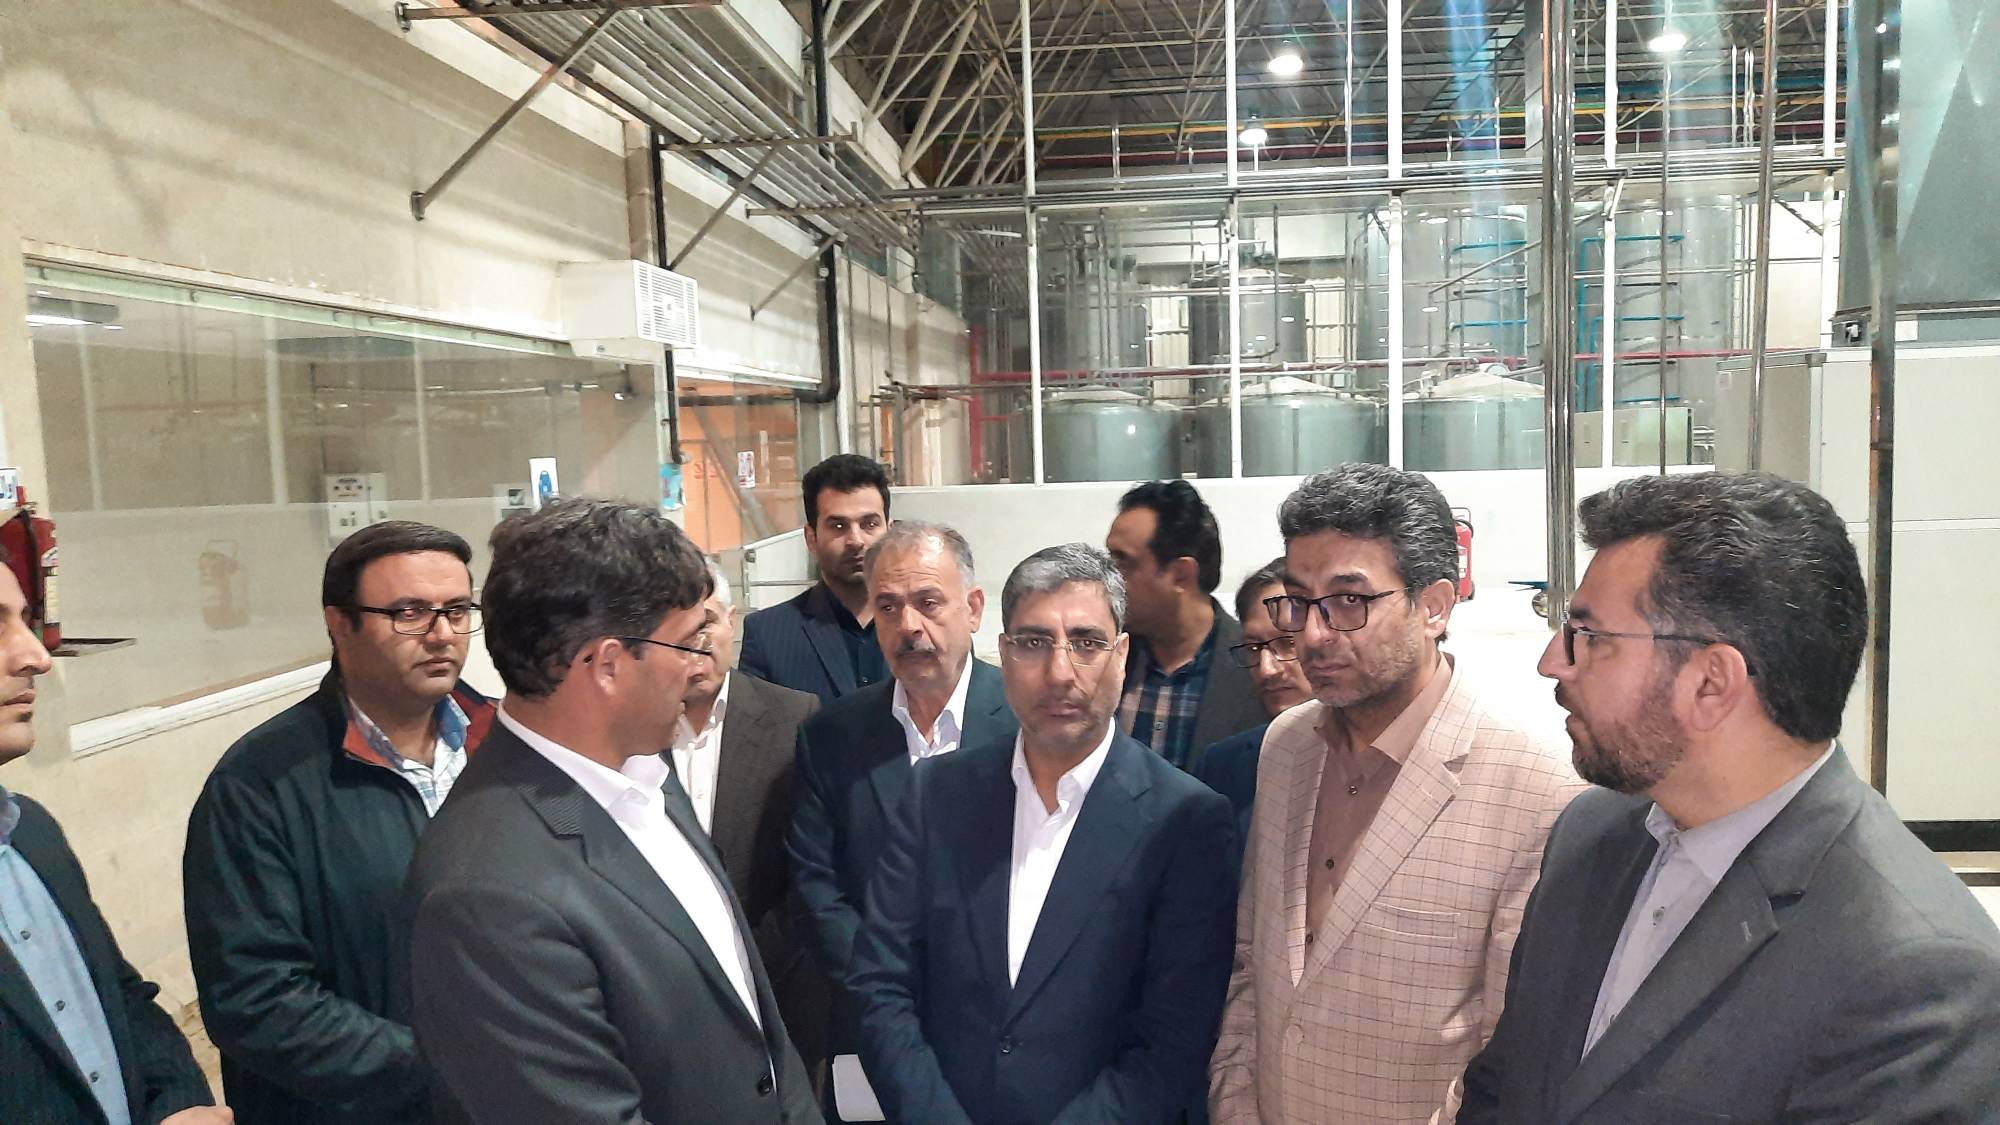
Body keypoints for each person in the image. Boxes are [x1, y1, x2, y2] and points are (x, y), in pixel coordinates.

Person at [1457, 472, 2000, 1122]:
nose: (1554, 662)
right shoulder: (1591, 832)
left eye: (1590, 635)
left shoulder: (1915, 973)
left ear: (1711, 683)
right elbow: (1504, 1087)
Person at [400, 499, 819, 1124]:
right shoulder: (487, 896)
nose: (698, 666)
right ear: (608, 665)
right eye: (685, 643)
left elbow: (760, 1034)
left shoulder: (648, 774)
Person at [1209, 464, 1583, 1125]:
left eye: (1349, 601)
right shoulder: (1286, 748)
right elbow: (1252, 969)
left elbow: (1511, 1053)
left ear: (1434, 606)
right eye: (1298, 600)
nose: (1313, 634)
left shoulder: (1536, 787)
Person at [851, 543, 1238, 1124]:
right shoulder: (937, 795)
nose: (1060, 672)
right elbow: (881, 985)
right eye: (1034, 643)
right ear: (1004, 654)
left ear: (1121, 655)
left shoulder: (1185, 819)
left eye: (1086, 643)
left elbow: (1174, 1038)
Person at [185, 521, 496, 1125]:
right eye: (409, 613)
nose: (442, 635)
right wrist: (446, 1072)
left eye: (457, 611)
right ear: (339, 623)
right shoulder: (260, 784)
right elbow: (255, 1000)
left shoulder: (506, 746)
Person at [788, 521, 1015, 1122]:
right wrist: (887, 995)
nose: (908, 625)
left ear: (973, 609)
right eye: (888, 607)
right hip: (871, 1034)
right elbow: (817, 888)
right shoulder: (831, 736)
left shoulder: (1028, 724)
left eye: (928, 602)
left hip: (1003, 1032)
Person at [0, 559, 230, 1125]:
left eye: (26, 622)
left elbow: (122, 998)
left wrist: (179, 1105)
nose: (36, 657)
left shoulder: (31, 833)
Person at [674, 558, 829, 1084]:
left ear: (732, 620)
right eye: (677, 629)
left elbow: (809, 873)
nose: (695, 643)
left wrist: (744, 969)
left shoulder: (794, 717)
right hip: (666, 1000)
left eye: (706, 622)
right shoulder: (629, 729)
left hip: (777, 992)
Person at [1105, 480, 1265, 772]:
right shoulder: (1103, 660)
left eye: (1123, 563)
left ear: (1181, 574)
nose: (1107, 580)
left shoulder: (1259, 669)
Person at [741, 455, 893, 704]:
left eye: (869, 524)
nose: (856, 540)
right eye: (839, 526)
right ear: (811, 538)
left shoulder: (925, 625)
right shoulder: (768, 636)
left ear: (889, 531)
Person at [1193, 557, 1315, 849]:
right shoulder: (1225, 764)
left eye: (1288, 643)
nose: (1267, 669)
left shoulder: (1374, 756)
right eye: (1254, 647)